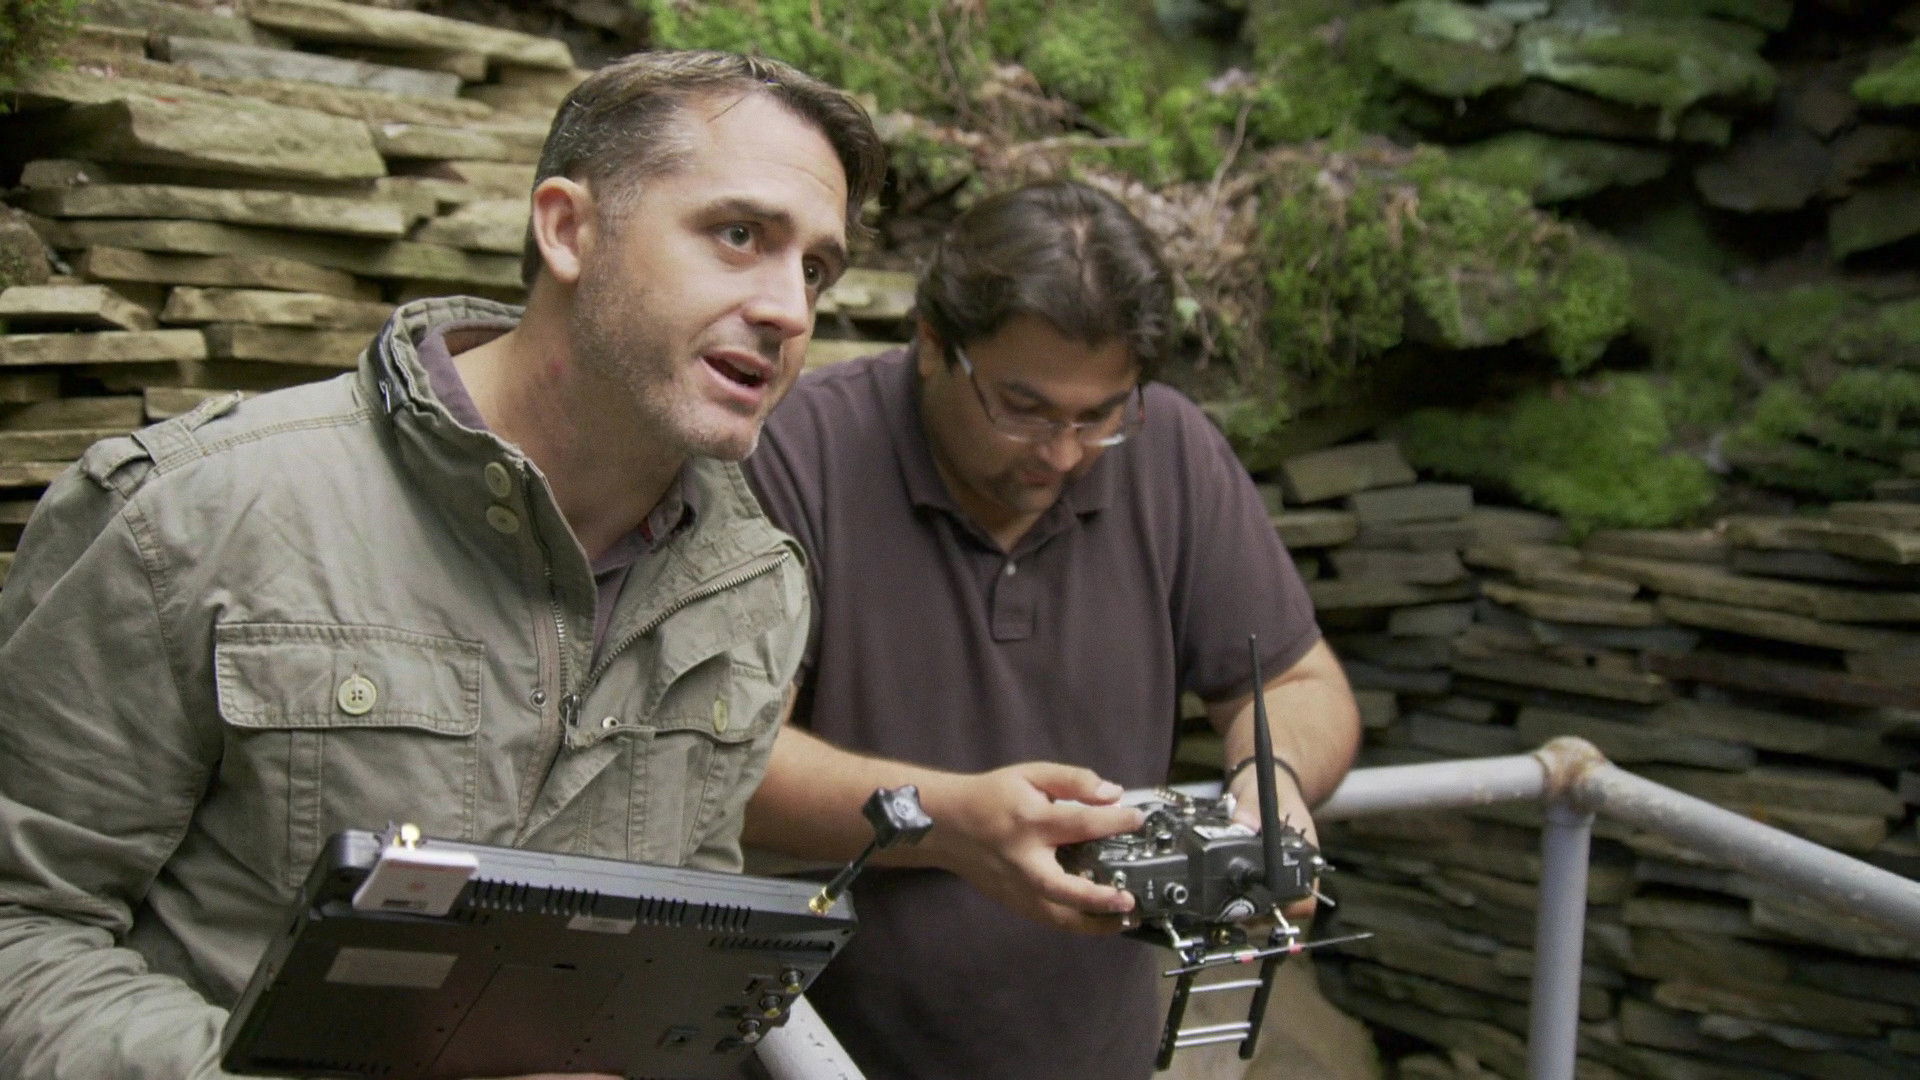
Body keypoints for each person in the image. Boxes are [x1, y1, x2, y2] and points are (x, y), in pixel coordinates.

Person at [0, 50, 884, 1079]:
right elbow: (23, 932)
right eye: (739, 235)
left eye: (815, 269)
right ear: (568, 229)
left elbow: (660, 976)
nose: (790, 311)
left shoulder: (753, 589)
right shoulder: (193, 514)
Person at [740, 180, 1363, 1080]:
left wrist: (1272, 784)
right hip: (819, 1054)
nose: (1064, 453)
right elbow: (727, 762)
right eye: (1024, 408)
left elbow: (1304, 686)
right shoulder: (798, 451)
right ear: (932, 345)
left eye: (1101, 414)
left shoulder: (1172, 450)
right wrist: (953, 823)